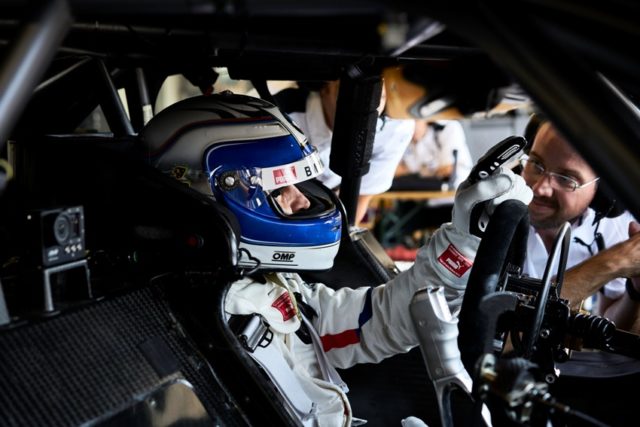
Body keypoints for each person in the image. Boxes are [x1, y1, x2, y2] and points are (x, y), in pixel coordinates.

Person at [139, 92, 532, 426]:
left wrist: (462, 245)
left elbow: (374, 323)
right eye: (281, 187)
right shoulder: (184, 320)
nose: (303, 200)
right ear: (218, 194)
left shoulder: (266, 285)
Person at [520, 114, 640, 332]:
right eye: (536, 163)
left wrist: (634, 293)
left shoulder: (613, 226)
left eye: (566, 178)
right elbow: (503, 332)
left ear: (601, 192)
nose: (539, 189)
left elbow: (611, 320)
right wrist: (612, 263)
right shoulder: (489, 213)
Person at [276, 80, 416, 225]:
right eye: (349, 92)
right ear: (325, 87)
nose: (364, 107)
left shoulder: (395, 129)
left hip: (329, 204)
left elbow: (360, 199)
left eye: (378, 97)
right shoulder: (282, 115)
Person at [393, 119, 473, 190]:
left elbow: (448, 170)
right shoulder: (405, 139)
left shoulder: (447, 127)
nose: (410, 126)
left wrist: (418, 174)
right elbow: (396, 171)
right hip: (426, 197)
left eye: (414, 120)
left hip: (455, 194)